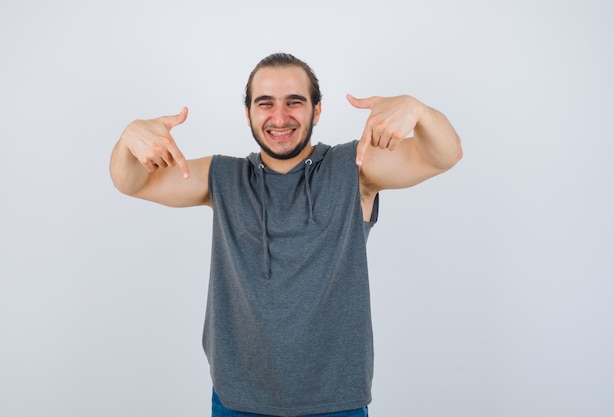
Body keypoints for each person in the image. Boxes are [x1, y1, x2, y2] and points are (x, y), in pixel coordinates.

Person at [109, 52, 462, 417]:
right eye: (265, 104)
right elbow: (131, 182)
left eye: (295, 102)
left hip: (336, 402)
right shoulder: (223, 178)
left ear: (317, 110)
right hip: (238, 401)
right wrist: (128, 137)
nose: (280, 118)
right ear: (248, 113)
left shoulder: (355, 168)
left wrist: (417, 111)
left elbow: (444, 155)